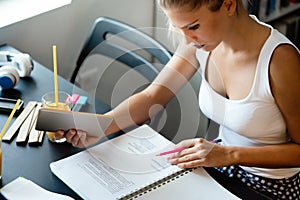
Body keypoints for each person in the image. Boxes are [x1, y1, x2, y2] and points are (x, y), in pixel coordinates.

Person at [56, 0, 300, 198]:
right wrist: (102, 124)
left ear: (228, 4)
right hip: (220, 164)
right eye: (179, 29)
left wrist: (228, 155)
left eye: (193, 27)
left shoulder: (281, 61)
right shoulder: (201, 43)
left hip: (271, 185)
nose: (185, 41)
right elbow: (153, 95)